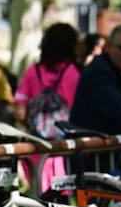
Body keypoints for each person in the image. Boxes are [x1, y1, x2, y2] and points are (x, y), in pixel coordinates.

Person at [15, 22, 82, 191]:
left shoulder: (32, 71)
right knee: (62, 199)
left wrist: (35, 126)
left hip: (36, 148)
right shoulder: (72, 72)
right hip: (63, 148)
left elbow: (20, 111)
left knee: (39, 199)